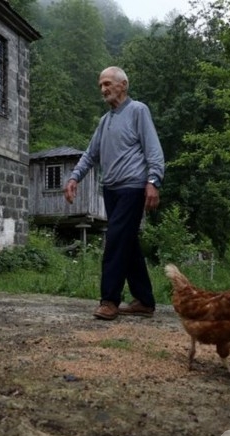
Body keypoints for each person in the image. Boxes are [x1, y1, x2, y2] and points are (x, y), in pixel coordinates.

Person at [63, 66, 165, 320]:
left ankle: (109, 300)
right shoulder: (105, 121)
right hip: (111, 189)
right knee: (127, 244)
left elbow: (153, 149)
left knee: (116, 240)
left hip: (132, 188)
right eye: (100, 85)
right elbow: (90, 154)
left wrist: (153, 180)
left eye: (107, 83)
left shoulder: (138, 111)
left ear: (124, 85)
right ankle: (145, 300)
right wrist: (75, 177)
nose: (103, 89)